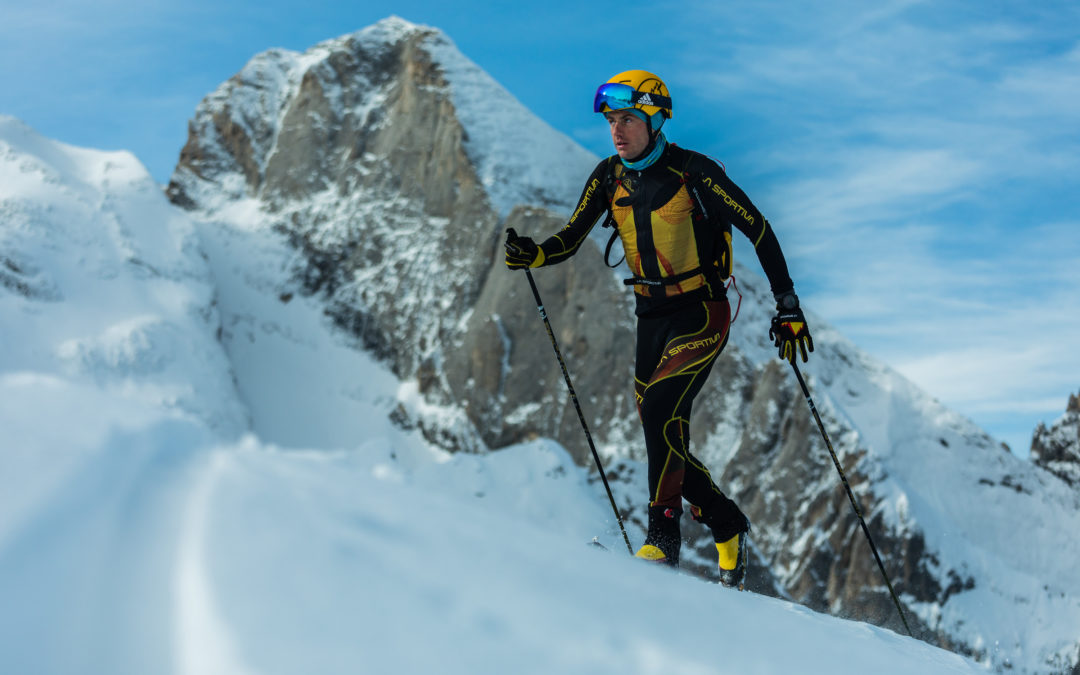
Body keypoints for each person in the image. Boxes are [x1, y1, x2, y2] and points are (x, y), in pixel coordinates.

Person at [505, 70, 812, 587]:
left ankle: (663, 543)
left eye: (628, 119)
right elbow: (572, 237)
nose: (617, 130)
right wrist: (534, 253)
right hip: (650, 318)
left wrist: (788, 305)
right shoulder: (608, 176)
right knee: (662, 429)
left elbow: (758, 227)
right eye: (610, 121)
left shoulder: (696, 173)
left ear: (655, 119)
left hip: (702, 313)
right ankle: (724, 521)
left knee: (661, 414)